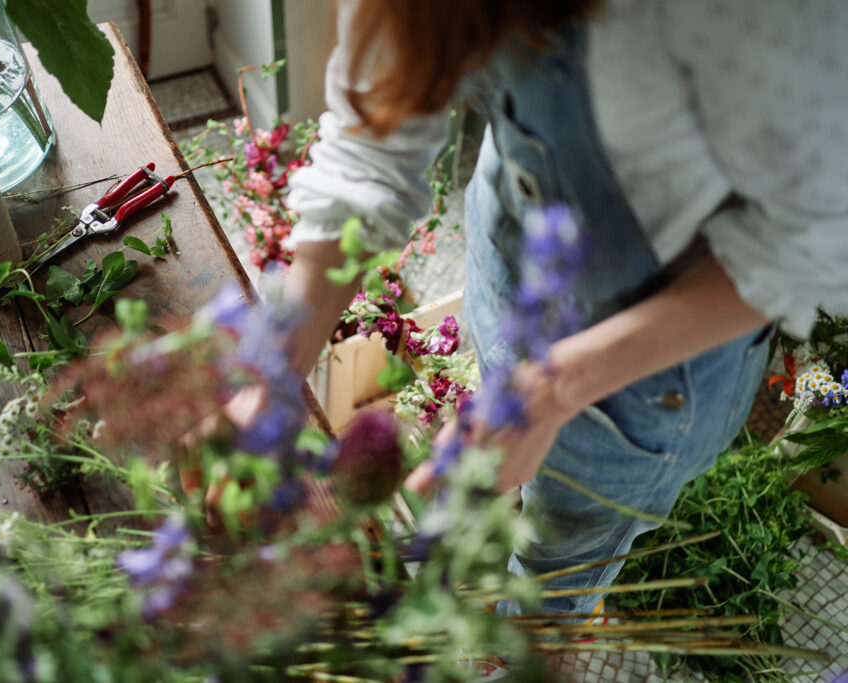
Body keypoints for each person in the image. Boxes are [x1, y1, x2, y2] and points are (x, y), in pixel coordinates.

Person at [277, 0, 848, 618]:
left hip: (642, 378)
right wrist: (273, 375)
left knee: (557, 572)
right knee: (501, 468)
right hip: (510, 259)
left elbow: (807, 250)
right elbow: (369, 153)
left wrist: (552, 391)